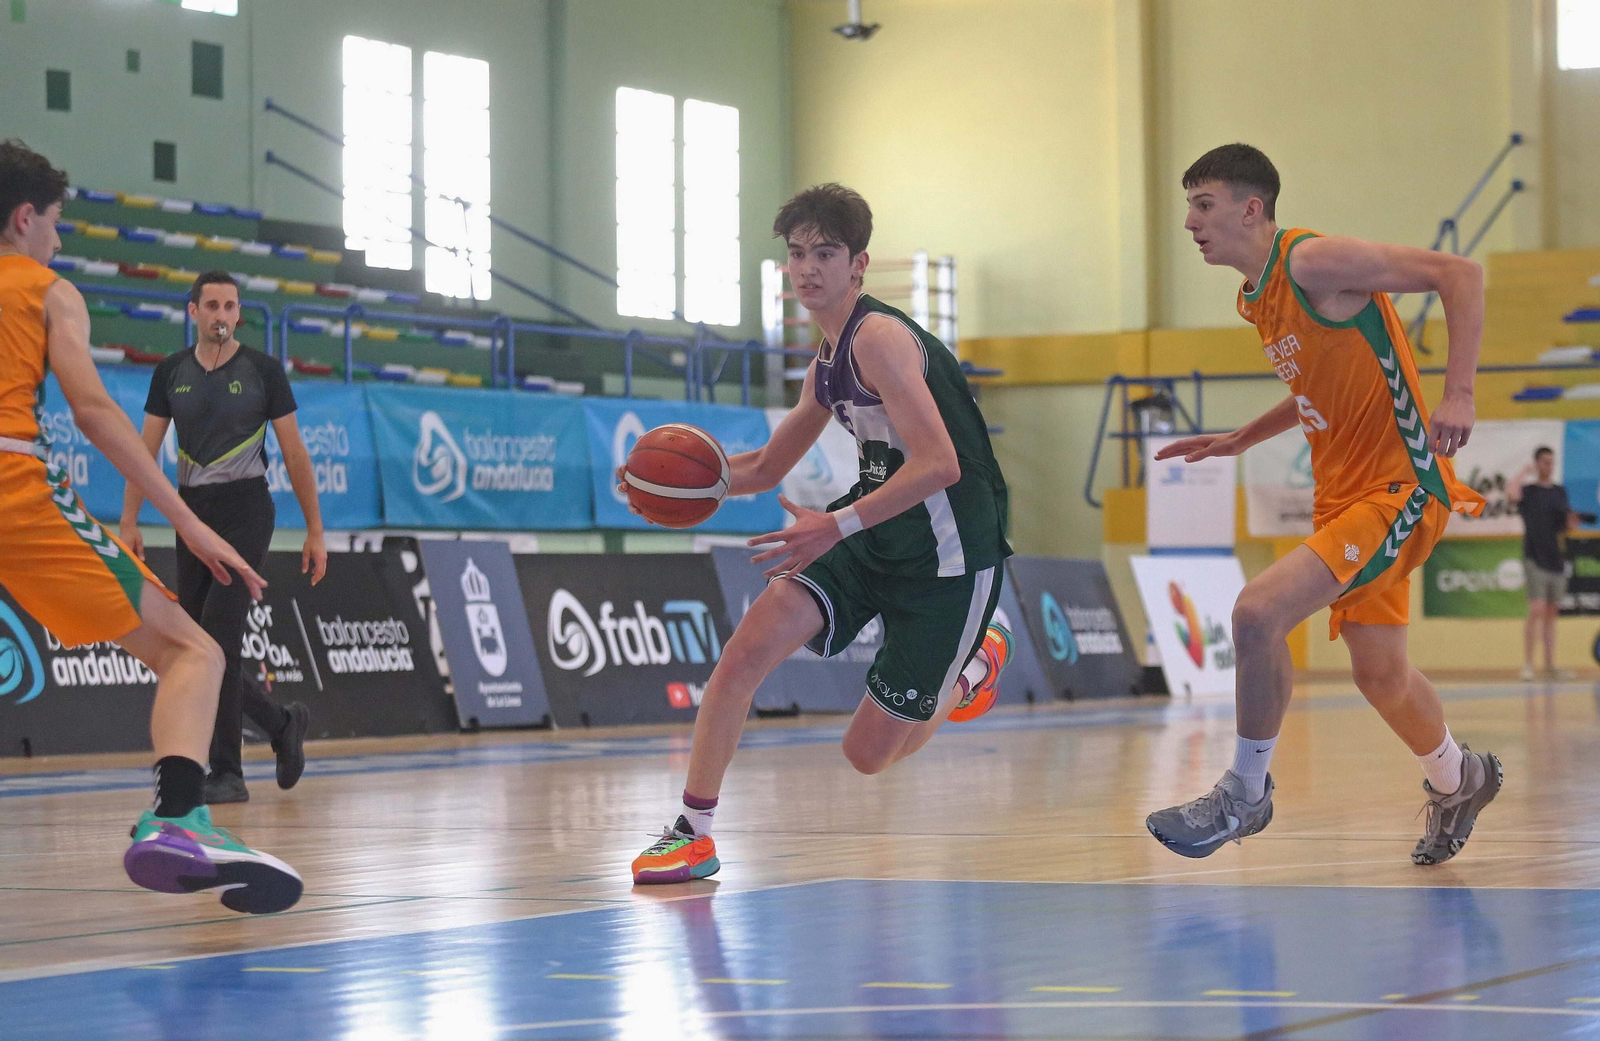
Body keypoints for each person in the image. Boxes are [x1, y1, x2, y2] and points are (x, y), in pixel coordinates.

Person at [629, 184, 1014, 884]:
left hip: (951, 549)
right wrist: (674, 485)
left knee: (868, 753)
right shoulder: (827, 359)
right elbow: (765, 466)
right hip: (870, 523)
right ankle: (693, 832)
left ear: (858, 264)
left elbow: (940, 464)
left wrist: (829, 526)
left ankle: (975, 665)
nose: (807, 268)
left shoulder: (881, 339)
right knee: (744, 653)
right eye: (797, 254)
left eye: (825, 253)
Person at [1144, 144, 1501, 866]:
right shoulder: (1255, 297)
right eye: (1189, 207)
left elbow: (1458, 272)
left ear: (1252, 209)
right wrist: (1243, 437)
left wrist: (1458, 390)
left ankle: (1244, 791)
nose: (1190, 223)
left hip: (1398, 488)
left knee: (1256, 612)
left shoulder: (1310, 261)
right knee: (1380, 674)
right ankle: (1461, 779)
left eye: (1203, 205)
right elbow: (1317, 381)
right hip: (1344, 497)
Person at [0, 139, 300, 912]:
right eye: (56, 224)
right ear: (24, 217)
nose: (59, 240)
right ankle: (177, 818)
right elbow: (97, 414)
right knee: (192, 649)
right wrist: (188, 525)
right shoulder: (45, 290)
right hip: (12, 489)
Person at [120, 271, 325, 804]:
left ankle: (227, 773)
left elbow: (296, 454)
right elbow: (143, 451)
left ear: (239, 314)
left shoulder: (263, 370)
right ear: (193, 312)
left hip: (246, 509)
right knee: (195, 645)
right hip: (191, 513)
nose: (222, 315)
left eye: (230, 306)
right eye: (211, 305)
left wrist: (315, 530)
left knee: (219, 635)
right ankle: (281, 725)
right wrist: (129, 520)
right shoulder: (170, 373)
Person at [1508, 445, 1578, 680]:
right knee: (1536, 609)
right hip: (1534, 556)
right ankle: (1528, 664)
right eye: (1545, 462)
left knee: (1551, 613)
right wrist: (1523, 471)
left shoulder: (1559, 491)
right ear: (1537, 463)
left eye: (1552, 462)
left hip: (1555, 558)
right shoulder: (1528, 491)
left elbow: (1564, 523)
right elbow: (1511, 494)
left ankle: (1550, 666)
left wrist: (1571, 523)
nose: (1549, 466)